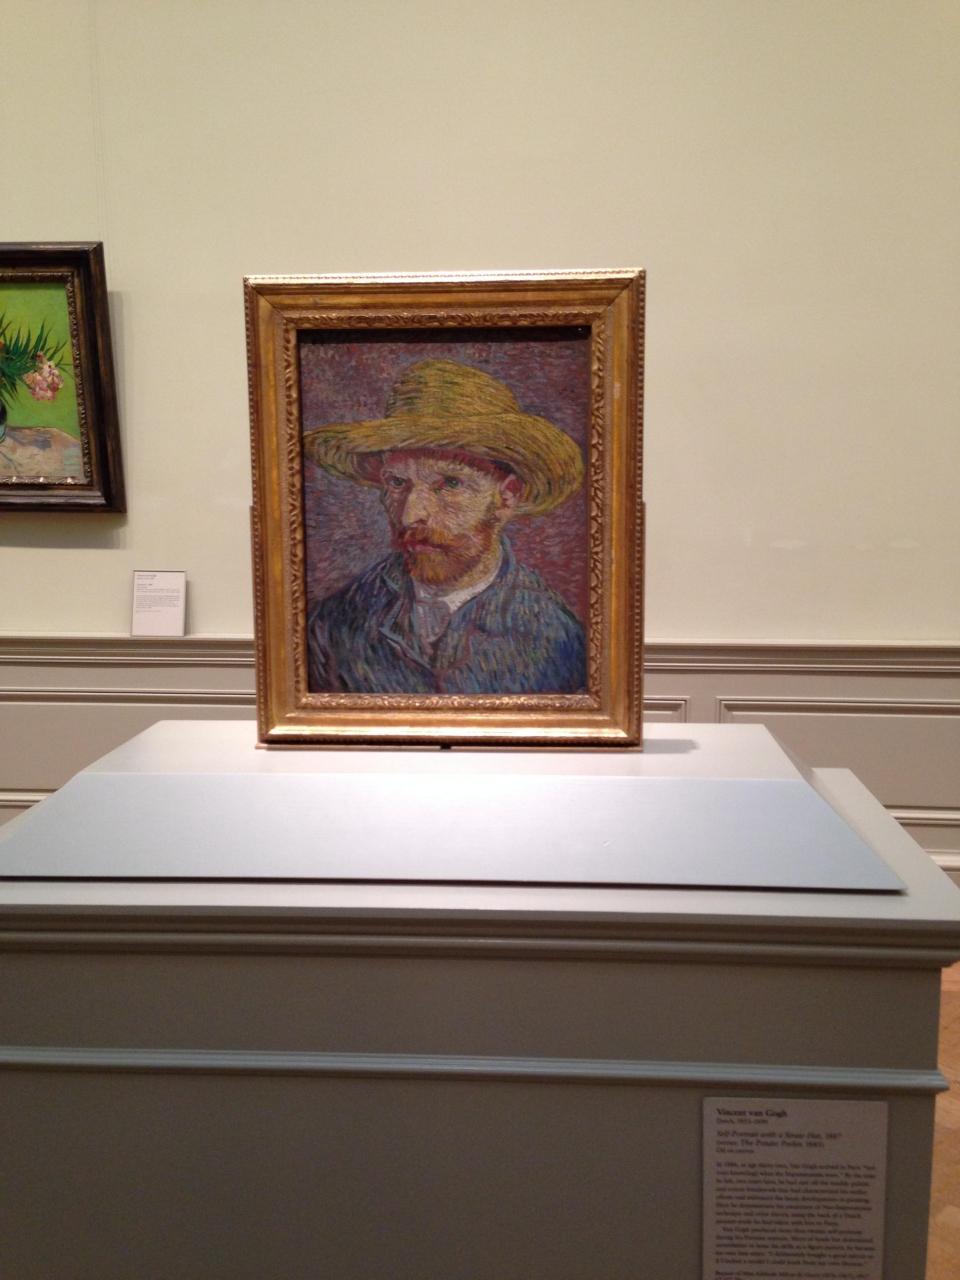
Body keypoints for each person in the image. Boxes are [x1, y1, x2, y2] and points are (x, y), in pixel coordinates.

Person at [304, 358, 586, 694]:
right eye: (397, 482)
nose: (410, 516)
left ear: (506, 497)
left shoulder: (556, 639)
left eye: (449, 484)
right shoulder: (333, 623)